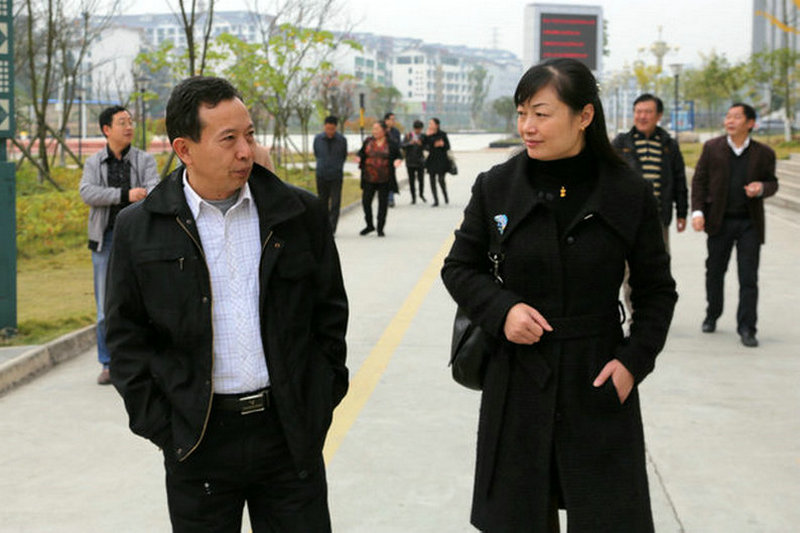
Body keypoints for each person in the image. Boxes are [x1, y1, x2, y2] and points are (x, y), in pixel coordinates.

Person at [441, 58, 677, 532]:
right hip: (518, 377)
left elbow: (656, 291)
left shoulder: (627, 192)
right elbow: (459, 268)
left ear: (584, 115)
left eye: (541, 113)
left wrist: (633, 363)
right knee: (517, 517)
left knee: (608, 517)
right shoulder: (497, 187)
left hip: (597, 375)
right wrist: (503, 310)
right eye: (521, 113)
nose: (527, 127)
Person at [105, 76, 349, 532]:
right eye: (229, 138)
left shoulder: (298, 215)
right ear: (184, 149)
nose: (245, 151)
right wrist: (164, 427)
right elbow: (125, 336)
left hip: (288, 436)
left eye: (250, 135)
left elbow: (330, 317)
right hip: (198, 442)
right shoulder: (140, 228)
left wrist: (317, 401)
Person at [78, 105, 158, 385]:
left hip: (138, 240)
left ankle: (146, 360)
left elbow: (154, 189)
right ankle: (108, 363)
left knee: (146, 301)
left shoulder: (144, 160)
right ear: (106, 130)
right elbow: (87, 192)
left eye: (130, 121)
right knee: (105, 307)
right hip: (105, 239)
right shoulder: (94, 163)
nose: (129, 127)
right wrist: (126, 195)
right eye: (122, 122)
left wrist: (139, 195)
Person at [691, 102, 779, 348]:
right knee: (714, 271)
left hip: (749, 223)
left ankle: (747, 327)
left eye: (736, 117)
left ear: (750, 123)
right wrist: (698, 212)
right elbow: (699, 181)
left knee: (748, 277)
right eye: (728, 116)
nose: (730, 121)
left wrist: (761, 188)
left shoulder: (764, 153)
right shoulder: (712, 148)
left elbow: (772, 183)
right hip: (719, 222)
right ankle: (712, 313)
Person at [612, 93, 688, 249]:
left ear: (659, 115)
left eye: (648, 112)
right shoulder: (621, 143)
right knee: (625, 261)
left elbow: (679, 180)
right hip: (627, 218)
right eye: (638, 112)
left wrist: (682, 213)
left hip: (658, 218)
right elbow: (608, 178)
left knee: (659, 260)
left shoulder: (669, 145)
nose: (642, 116)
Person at [356, 120, 402, 237]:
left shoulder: (391, 143)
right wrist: (359, 158)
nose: (374, 131)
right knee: (366, 202)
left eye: (377, 129)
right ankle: (369, 225)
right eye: (373, 129)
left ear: (384, 130)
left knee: (382, 204)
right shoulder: (368, 141)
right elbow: (361, 153)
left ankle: (380, 228)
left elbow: (399, 155)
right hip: (368, 178)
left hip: (385, 179)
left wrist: (398, 160)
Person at [313, 115, 348, 233]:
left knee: (335, 203)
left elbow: (344, 156)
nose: (330, 131)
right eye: (327, 128)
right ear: (324, 127)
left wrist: (337, 166)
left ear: (336, 128)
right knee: (322, 203)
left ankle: (332, 228)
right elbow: (317, 154)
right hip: (321, 175)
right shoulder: (318, 139)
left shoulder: (342, 140)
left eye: (332, 129)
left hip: (336, 176)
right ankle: (324, 226)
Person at [423, 117, 451, 206]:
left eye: (431, 123)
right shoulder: (427, 135)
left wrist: (442, 144)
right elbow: (424, 146)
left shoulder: (443, 134)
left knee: (441, 179)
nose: (430, 125)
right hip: (431, 160)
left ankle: (445, 195)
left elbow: (448, 147)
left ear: (437, 125)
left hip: (442, 160)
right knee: (432, 180)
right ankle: (436, 200)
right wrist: (428, 138)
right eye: (429, 123)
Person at [402, 119, 427, 204]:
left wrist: (422, 144)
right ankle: (413, 198)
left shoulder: (423, 136)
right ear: (414, 128)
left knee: (421, 180)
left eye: (419, 129)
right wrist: (410, 143)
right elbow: (402, 145)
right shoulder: (408, 135)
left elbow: (428, 147)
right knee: (411, 181)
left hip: (420, 161)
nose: (418, 131)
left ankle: (421, 194)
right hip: (410, 161)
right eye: (416, 129)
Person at [384, 112, 402, 207]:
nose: (393, 121)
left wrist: (398, 158)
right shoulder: (381, 130)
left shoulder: (396, 132)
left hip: (391, 160)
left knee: (390, 179)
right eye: (392, 119)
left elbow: (398, 145)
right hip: (381, 159)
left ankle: (390, 198)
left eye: (394, 119)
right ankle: (384, 197)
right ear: (386, 120)